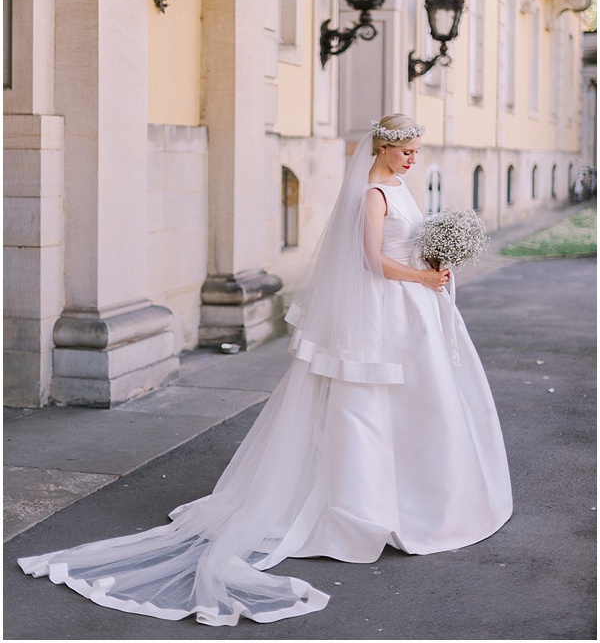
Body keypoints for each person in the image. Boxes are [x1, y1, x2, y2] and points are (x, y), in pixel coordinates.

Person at [18, 115, 512, 626]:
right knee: (363, 404)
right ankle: (361, 506)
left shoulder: (400, 188)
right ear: (383, 149)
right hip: (386, 308)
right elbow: (369, 261)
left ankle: (425, 498)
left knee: (422, 404)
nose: (413, 159)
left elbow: (405, 243)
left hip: (414, 307)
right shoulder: (371, 196)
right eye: (406, 150)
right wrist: (422, 277)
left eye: (416, 151)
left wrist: (435, 261)